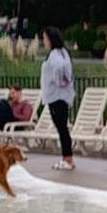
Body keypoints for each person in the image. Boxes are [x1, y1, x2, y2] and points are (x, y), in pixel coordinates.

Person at [41, 27, 76, 170]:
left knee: (62, 129)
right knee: (62, 128)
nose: (44, 42)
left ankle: (67, 159)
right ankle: (67, 158)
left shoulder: (55, 54)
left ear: (50, 39)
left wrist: (58, 81)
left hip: (56, 97)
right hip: (60, 96)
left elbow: (60, 68)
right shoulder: (63, 52)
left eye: (44, 38)